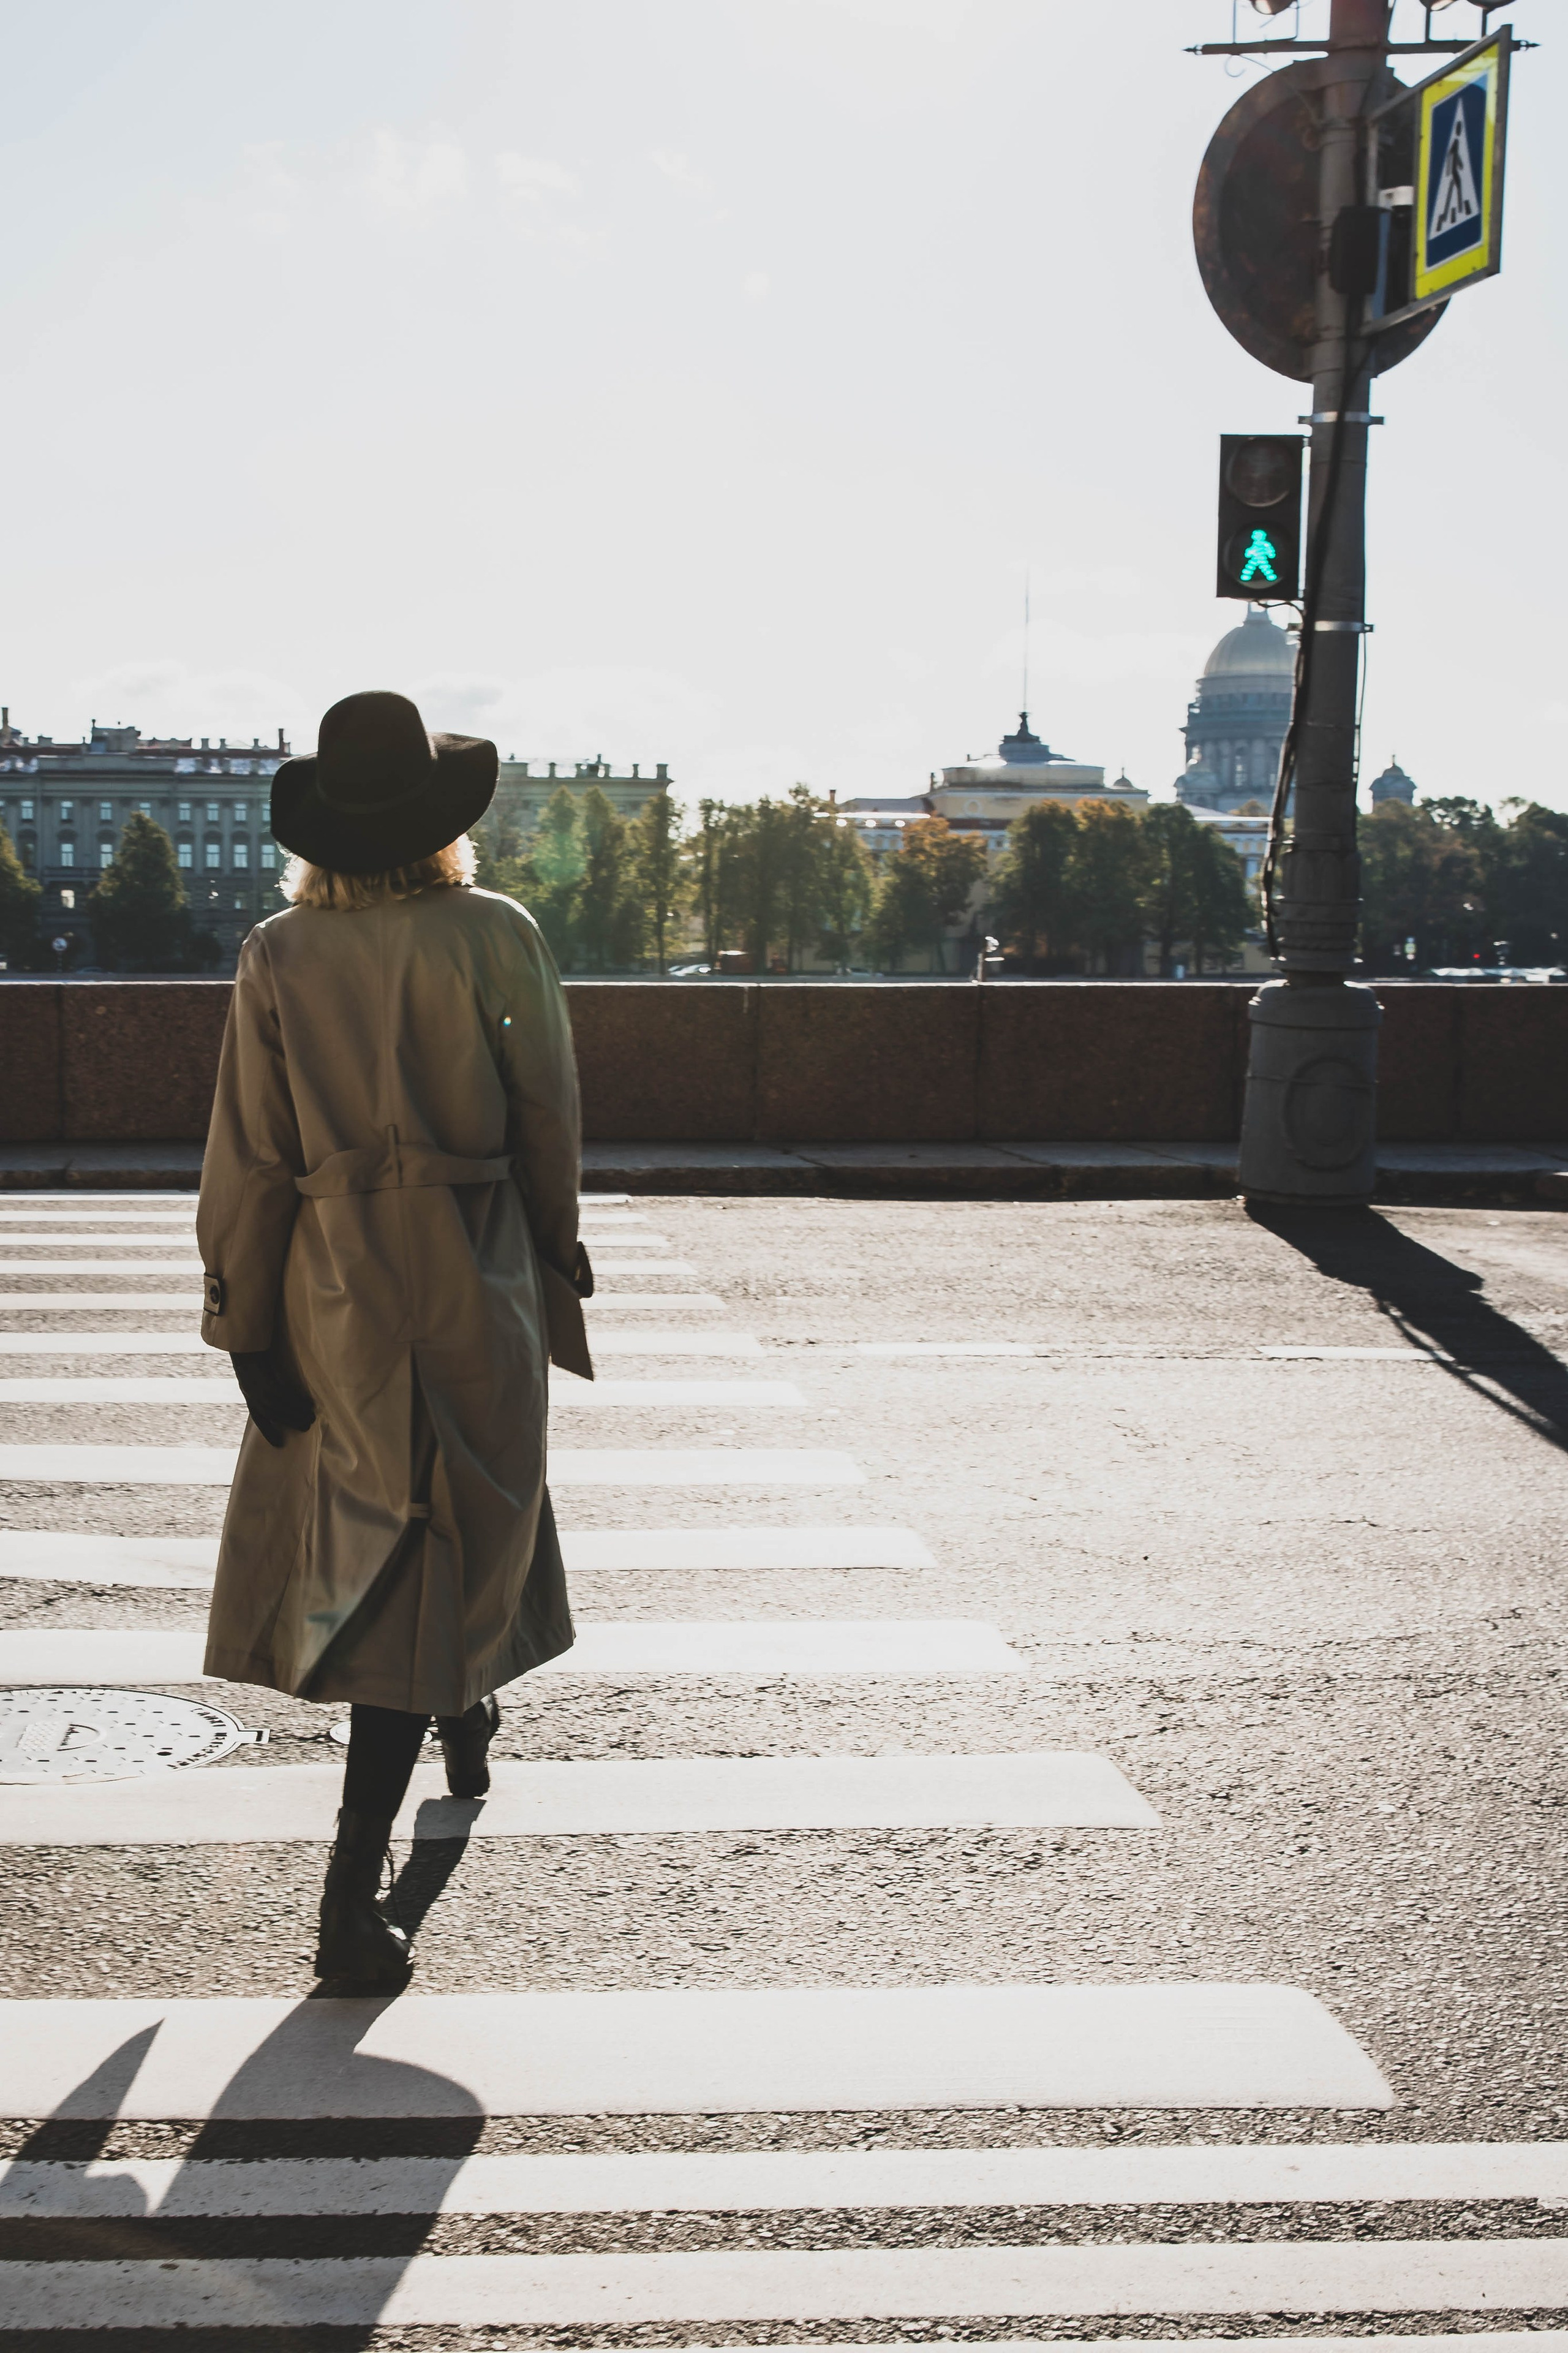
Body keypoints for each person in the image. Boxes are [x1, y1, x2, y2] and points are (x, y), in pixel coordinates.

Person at [195, 690, 593, 1983]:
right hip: (473, 1263)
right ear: (440, 824)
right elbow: (545, 1107)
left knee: (382, 1530)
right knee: (471, 1507)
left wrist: (245, 1320)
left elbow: (249, 1156)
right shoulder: (494, 932)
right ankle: (348, 1896)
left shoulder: (276, 953)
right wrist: (556, 1239)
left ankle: (458, 1713)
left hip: (334, 1283)